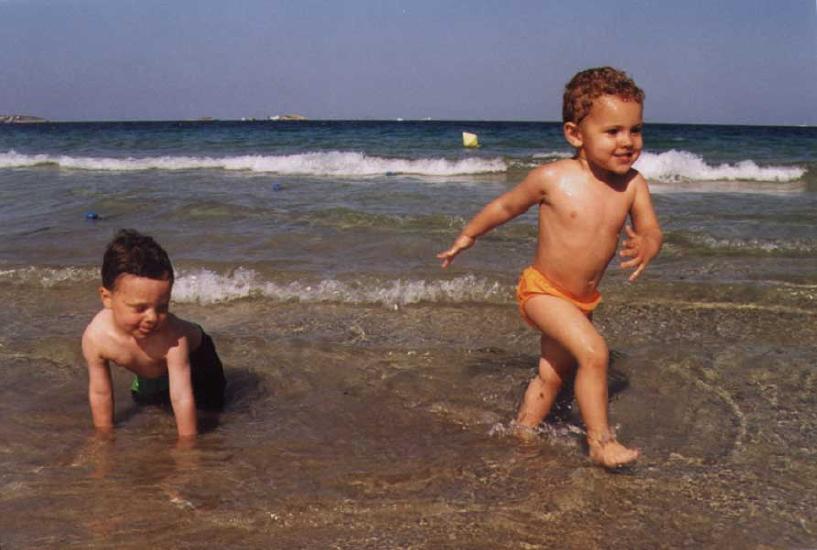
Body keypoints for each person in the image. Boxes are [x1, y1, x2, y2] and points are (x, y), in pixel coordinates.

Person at [437, 67, 662, 467]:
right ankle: (600, 442)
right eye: (612, 131)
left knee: (553, 376)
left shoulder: (633, 184)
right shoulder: (553, 178)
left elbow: (650, 228)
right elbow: (506, 206)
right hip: (542, 291)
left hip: (582, 300)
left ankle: (521, 434)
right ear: (576, 134)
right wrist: (468, 235)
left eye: (636, 129)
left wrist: (649, 242)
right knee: (594, 353)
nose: (627, 142)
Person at [82, 229, 226, 438]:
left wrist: (188, 448)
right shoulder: (96, 337)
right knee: (147, 402)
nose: (152, 318)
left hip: (199, 362)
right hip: (153, 370)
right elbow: (100, 392)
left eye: (162, 307)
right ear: (107, 297)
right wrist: (104, 437)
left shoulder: (172, 338)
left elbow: (182, 397)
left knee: (209, 411)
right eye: (140, 308)